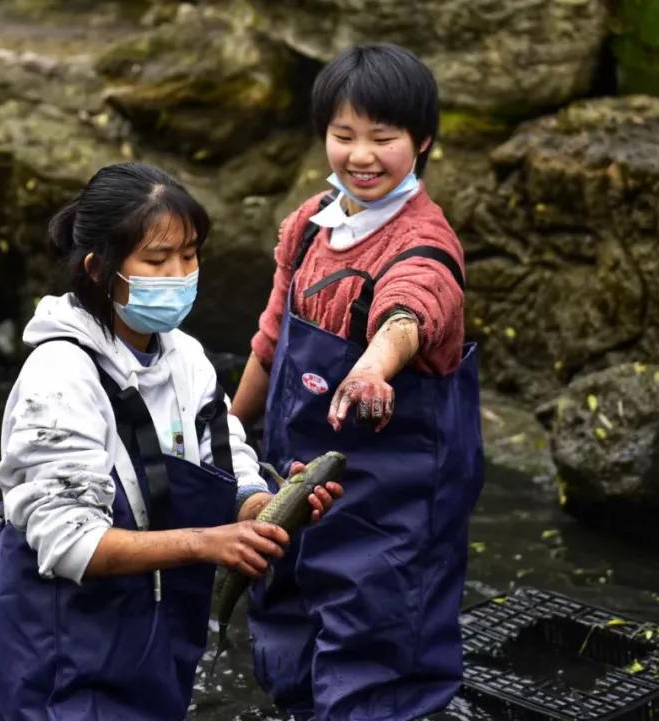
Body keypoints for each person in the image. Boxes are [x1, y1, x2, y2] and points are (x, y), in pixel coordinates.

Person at [0, 162, 342, 721]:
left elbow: (228, 463)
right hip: (61, 654)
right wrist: (206, 544)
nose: (180, 273)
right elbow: (67, 543)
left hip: (155, 643)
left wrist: (268, 511)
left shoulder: (186, 358)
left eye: (189, 255)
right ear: (99, 268)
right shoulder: (60, 374)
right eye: (157, 261)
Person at [230, 44, 485, 721]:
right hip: (295, 486)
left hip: (389, 509)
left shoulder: (425, 243)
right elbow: (269, 340)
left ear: (422, 140)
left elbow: (410, 311)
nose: (361, 155)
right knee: (286, 628)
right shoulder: (308, 226)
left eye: (383, 138)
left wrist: (373, 366)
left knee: (375, 651)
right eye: (344, 136)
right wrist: (220, 433)